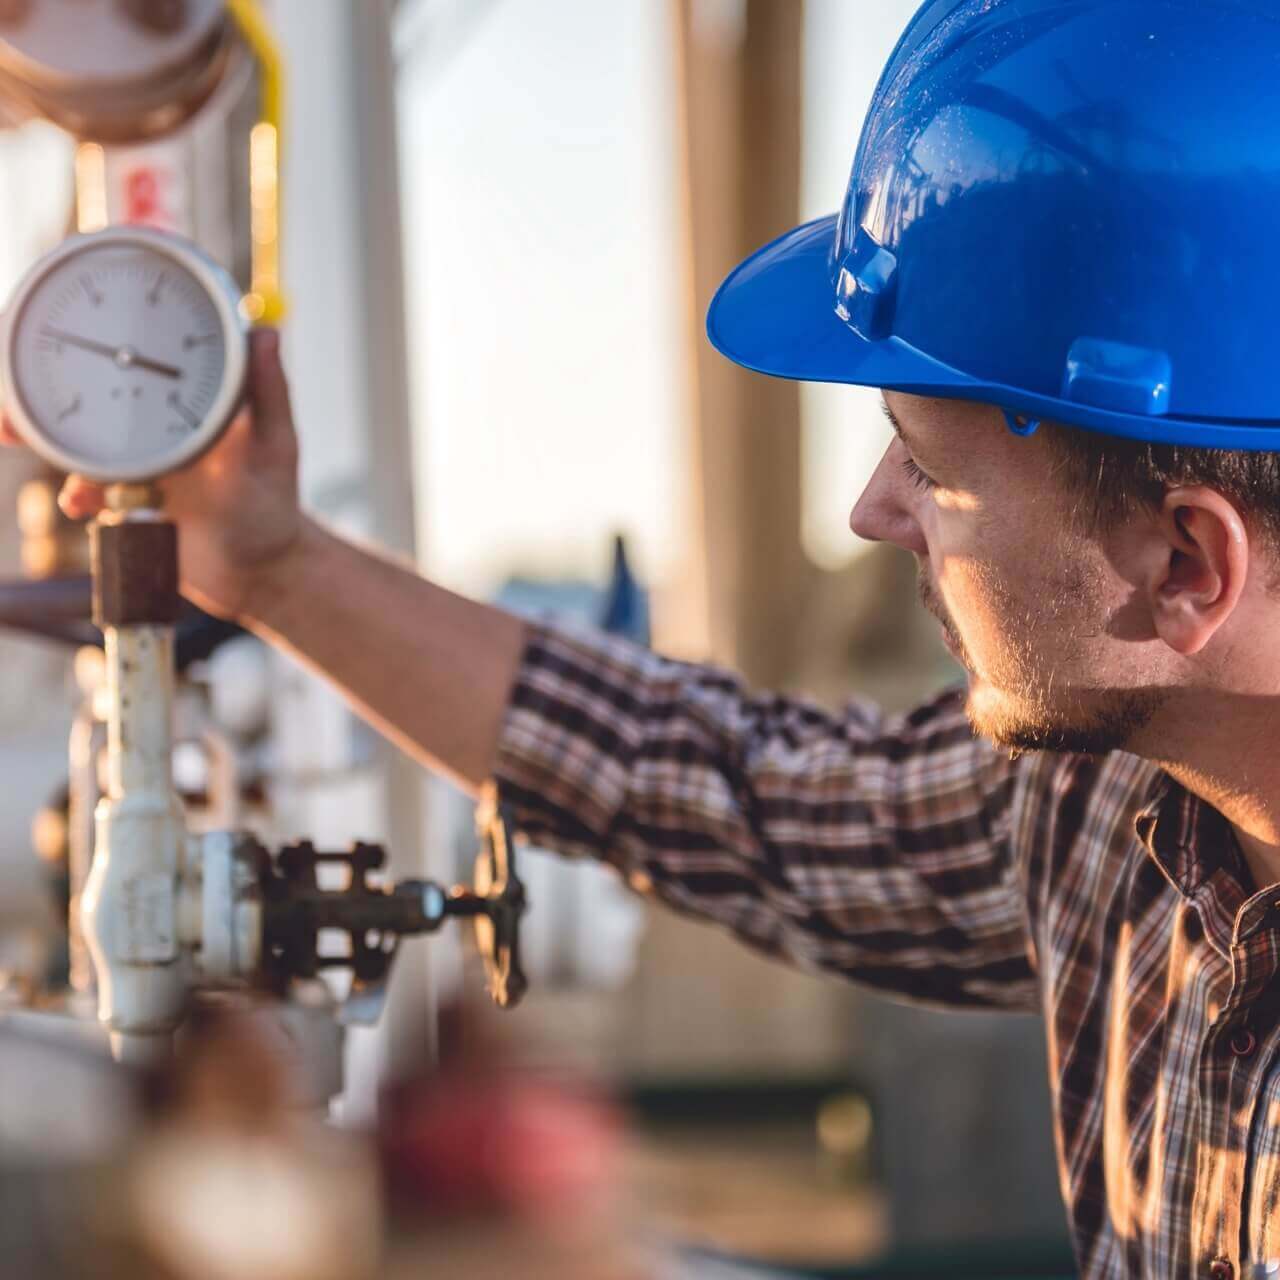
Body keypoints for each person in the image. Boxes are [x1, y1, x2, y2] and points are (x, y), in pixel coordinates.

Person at [10, 1, 1280, 1276]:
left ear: (1185, 565)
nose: (870, 508)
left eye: (928, 463)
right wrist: (273, 563)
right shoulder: (1112, 805)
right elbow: (731, 789)